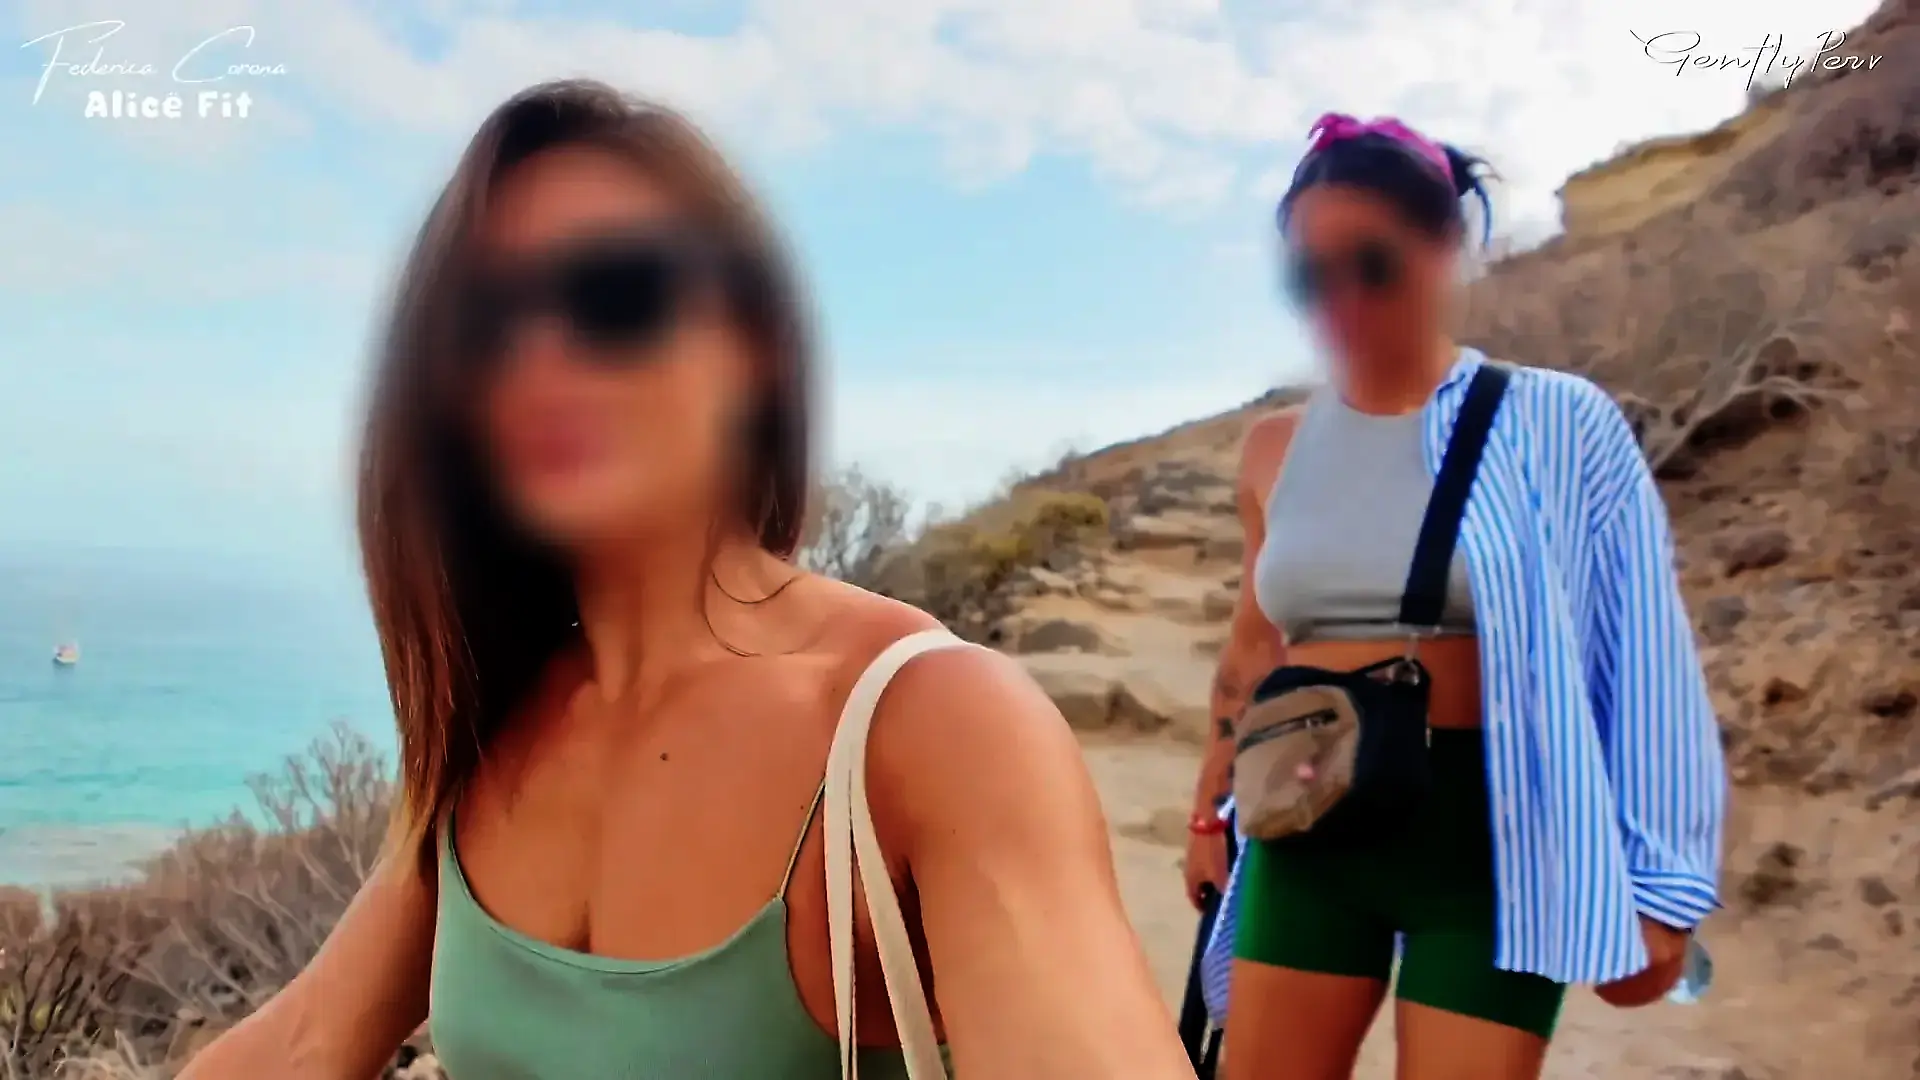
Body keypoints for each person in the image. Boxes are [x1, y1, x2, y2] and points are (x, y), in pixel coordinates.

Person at [181, 80, 1195, 1080]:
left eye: (615, 293)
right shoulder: (490, 731)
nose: (539, 358)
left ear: (754, 347)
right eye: (482, 324)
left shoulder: (929, 727)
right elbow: (308, 1042)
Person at [1191, 114, 1727, 1080]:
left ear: (1446, 248)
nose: (1341, 300)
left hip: (1498, 845)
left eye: (1372, 264)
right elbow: (1252, 649)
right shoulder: (1275, 447)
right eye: (1311, 277)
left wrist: (1664, 886)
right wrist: (1207, 818)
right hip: (1307, 817)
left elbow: (1642, 648)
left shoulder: (1558, 423)